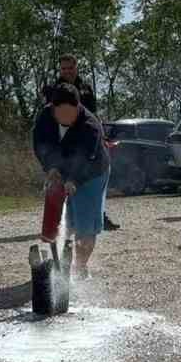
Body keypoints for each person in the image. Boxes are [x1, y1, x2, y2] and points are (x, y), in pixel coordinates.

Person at [32, 85, 109, 278]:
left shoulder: (90, 126)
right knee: (62, 223)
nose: (66, 118)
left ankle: (80, 269)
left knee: (85, 225)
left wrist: (73, 180)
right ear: (53, 108)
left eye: (70, 113)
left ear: (78, 106)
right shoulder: (45, 117)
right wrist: (50, 167)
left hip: (91, 174)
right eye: (61, 113)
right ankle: (60, 266)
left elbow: (87, 158)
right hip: (61, 168)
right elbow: (40, 144)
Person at [41, 55, 119, 231]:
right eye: (63, 69)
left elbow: (93, 115)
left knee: (94, 178)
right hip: (63, 142)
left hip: (85, 139)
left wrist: (101, 137)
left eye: (70, 68)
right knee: (62, 182)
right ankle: (59, 224)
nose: (67, 71)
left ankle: (99, 215)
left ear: (76, 67)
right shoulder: (54, 89)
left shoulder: (86, 88)